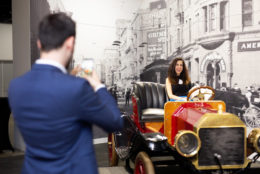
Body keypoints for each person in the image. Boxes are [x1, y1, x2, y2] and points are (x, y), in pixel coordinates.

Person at [8, 13, 123, 174]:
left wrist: (69, 79)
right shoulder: (77, 88)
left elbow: (51, 98)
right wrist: (98, 85)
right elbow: (114, 122)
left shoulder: (16, 86)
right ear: (70, 43)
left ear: (39, 43)